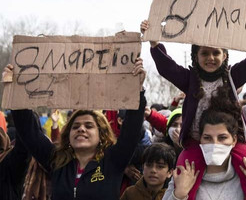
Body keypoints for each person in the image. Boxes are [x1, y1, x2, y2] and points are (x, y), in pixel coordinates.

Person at [141, 19, 246, 199]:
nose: (210, 58)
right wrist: (155, 44)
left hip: (230, 141)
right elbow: (167, 68)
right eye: (205, 53)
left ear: (224, 56)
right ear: (196, 56)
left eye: (216, 53)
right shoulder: (189, 79)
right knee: (185, 177)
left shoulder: (232, 77)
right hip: (197, 141)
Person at [5, 58, 147, 200]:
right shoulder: (57, 161)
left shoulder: (113, 161)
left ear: (101, 135)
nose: (81, 129)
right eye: (75, 126)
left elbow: (131, 131)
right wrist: (15, 90)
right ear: (68, 134)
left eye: (89, 126)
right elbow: (29, 132)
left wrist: (137, 90)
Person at [162, 108, 246, 200]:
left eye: (222, 138)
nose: (215, 144)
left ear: (233, 140)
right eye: (207, 138)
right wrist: (179, 195)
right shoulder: (184, 174)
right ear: (200, 140)